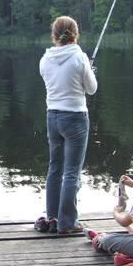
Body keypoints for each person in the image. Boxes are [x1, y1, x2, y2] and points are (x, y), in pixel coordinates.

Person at [35, 16, 97, 235]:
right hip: (76, 118)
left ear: (54, 35)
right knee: (72, 172)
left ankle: (52, 217)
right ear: (75, 33)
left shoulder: (45, 59)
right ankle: (68, 223)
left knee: (54, 168)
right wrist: (89, 69)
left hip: (53, 117)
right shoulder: (80, 58)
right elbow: (91, 89)